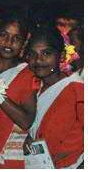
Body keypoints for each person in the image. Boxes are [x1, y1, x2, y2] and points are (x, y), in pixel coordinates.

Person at [0, 15, 39, 168]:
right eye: (3, 35)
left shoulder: (28, 74)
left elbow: (26, 121)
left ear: (24, 43)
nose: (9, 43)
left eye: (16, 38)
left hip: (9, 159)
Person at [25, 26, 83, 169]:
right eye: (32, 54)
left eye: (46, 53)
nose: (38, 60)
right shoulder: (33, 88)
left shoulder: (77, 89)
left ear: (62, 56)